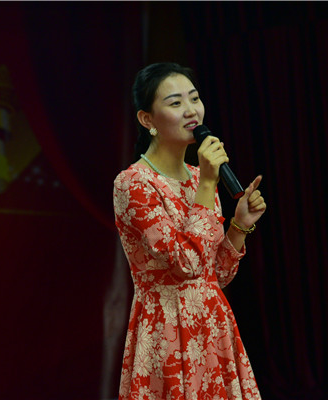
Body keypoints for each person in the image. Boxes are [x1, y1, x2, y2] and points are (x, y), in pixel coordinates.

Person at [113, 62, 266, 399]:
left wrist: (240, 226)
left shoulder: (199, 176)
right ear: (147, 120)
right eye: (175, 102)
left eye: (194, 99)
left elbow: (215, 274)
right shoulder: (133, 183)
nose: (191, 110)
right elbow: (185, 264)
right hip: (166, 330)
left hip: (213, 326)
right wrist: (209, 183)